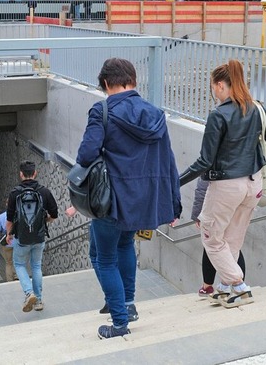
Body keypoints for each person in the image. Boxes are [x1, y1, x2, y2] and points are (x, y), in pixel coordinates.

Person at [75, 58, 182, 339]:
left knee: (102, 257)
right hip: (142, 202)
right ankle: (128, 303)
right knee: (124, 247)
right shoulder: (156, 114)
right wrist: (174, 203)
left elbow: (86, 154)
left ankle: (120, 321)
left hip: (111, 200)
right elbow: (168, 161)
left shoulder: (102, 111)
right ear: (132, 80)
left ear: (107, 84)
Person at [179, 59, 266, 308]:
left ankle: (239, 285)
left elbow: (204, 161)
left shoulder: (218, 115)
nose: (214, 91)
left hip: (227, 186)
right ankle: (225, 288)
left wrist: (176, 181)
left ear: (221, 85)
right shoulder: (257, 109)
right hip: (254, 183)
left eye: (214, 87)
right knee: (232, 238)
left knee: (211, 237)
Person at [5, 160, 58, 313]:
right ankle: (39, 300)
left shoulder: (15, 193)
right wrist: (45, 220)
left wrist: (9, 234)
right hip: (39, 237)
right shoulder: (44, 191)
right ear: (35, 173)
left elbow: (9, 218)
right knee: (36, 266)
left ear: (21, 174)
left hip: (22, 238)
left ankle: (29, 293)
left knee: (20, 265)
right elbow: (54, 214)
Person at [192, 178, 246, 299]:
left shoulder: (216, 159)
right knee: (231, 246)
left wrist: (197, 214)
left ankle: (213, 286)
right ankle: (227, 285)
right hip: (243, 199)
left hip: (219, 205)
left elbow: (202, 188)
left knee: (212, 244)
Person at [0, 201, 17, 282]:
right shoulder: (20, 215)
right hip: (19, 242)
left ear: (6, 205)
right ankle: (17, 275)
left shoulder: (1, 216)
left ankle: (10, 280)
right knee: (19, 261)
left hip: (7, 243)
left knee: (8, 262)